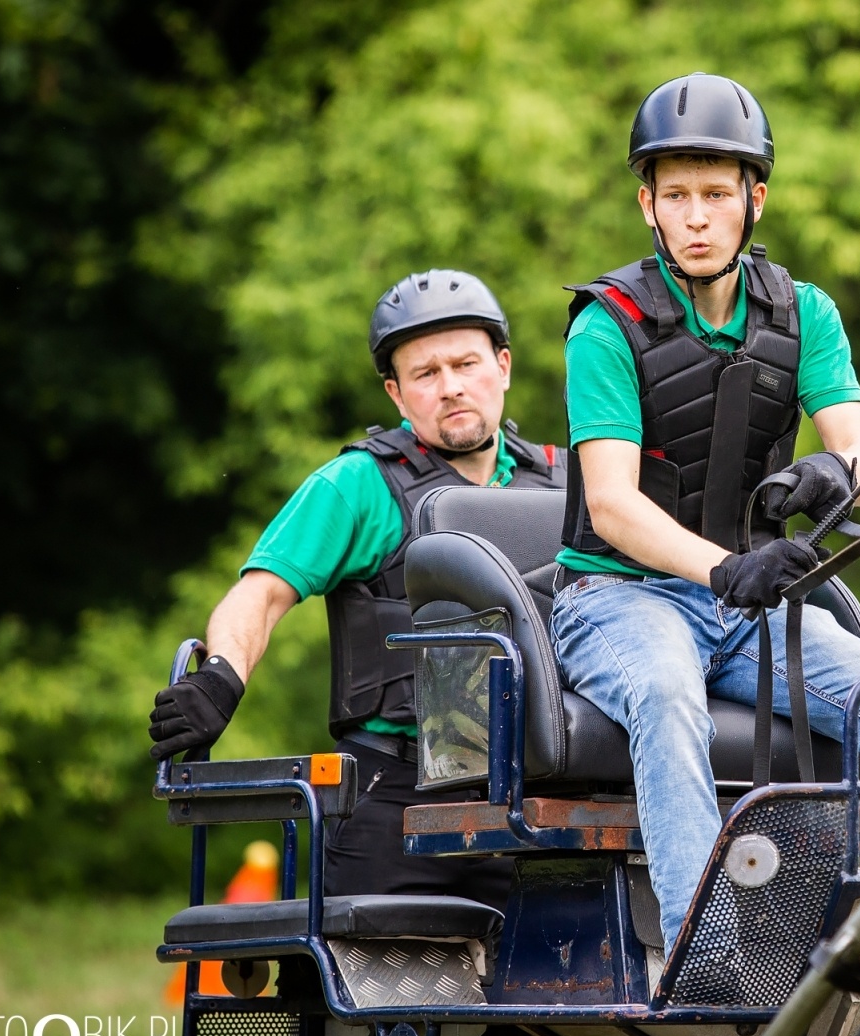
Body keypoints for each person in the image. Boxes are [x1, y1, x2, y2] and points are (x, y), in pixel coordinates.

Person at [551, 73, 860, 957]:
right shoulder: (605, 325)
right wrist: (725, 568)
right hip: (620, 600)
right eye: (677, 196)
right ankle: (718, 957)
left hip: (744, 608)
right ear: (647, 205)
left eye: (716, 194)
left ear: (754, 198)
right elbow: (613, 505)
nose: (697, 216)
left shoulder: (805, 312)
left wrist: (829, 471)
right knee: (665, 693)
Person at [148, 270, 566, 908]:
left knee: (545, 1007)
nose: (451, 387)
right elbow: (259, 594)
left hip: (540, 801)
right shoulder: (358, 483)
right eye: (425, 374)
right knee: (389, 1006)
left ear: (503, 367)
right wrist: (221, 677)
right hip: (390, 797)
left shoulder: (570, 485)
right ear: (397, 394)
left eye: (466, 363)